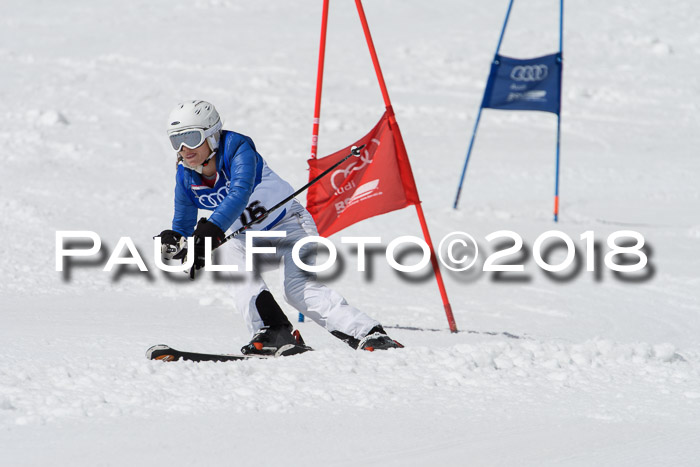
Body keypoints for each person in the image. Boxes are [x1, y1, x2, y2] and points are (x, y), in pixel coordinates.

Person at [157, 100, 403, 356]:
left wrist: (210, 231)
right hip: (249, 240)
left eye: (191, 138)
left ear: (212, 134)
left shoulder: (238, 149)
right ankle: (273, 330)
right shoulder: (186, 175)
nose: (184, 149)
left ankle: (369, 333)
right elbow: (184, 224)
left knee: (297, 289)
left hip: (290, 227)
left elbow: (239, 194)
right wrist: (178, 244)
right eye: (177, 141)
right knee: (226, 254)